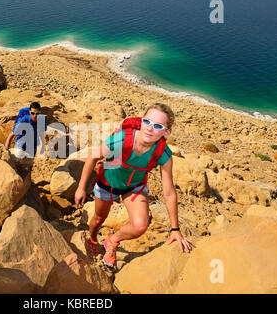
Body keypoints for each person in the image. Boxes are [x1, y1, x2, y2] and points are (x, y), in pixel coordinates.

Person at [74, 103, 193, 267]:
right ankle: (93, 239)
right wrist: (81, 187)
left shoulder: (163, 153)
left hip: (134, 187)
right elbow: (93, 157)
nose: (150, 129)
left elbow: (169, 192)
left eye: (157, 126)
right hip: (108, 183)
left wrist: (175, 229)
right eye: (147, 122)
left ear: (166, 132)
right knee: (99, 218)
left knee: (140, 226)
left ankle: (112, 241)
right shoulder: (121, 140)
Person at [5, 102, 46, 170]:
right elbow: (11, 135)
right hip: (20, 146)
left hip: (33, 147)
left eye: (37, 113)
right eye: (33, 113)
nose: (35, 116)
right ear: (30, 112)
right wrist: (5, 151)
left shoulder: (42, 120)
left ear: (40, 113)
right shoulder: (24, 120)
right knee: (17, 167)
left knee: (29, 166)